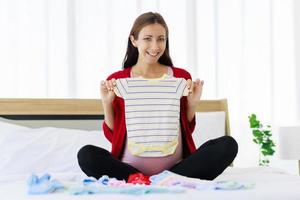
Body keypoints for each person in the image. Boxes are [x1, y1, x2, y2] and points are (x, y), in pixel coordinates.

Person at [77, 12, 238, 181]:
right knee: (87, 155)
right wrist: (106, 103)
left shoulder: (180, 77)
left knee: (227, 145)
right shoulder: (118, 80)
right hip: (128, 169)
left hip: (178, 168)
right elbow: (112, 135)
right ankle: (140, 179)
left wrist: (192, 103)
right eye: (147, 38)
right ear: (134, 40)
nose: (155, 46)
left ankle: (166, 179)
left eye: (161, 39)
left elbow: (187, 130)